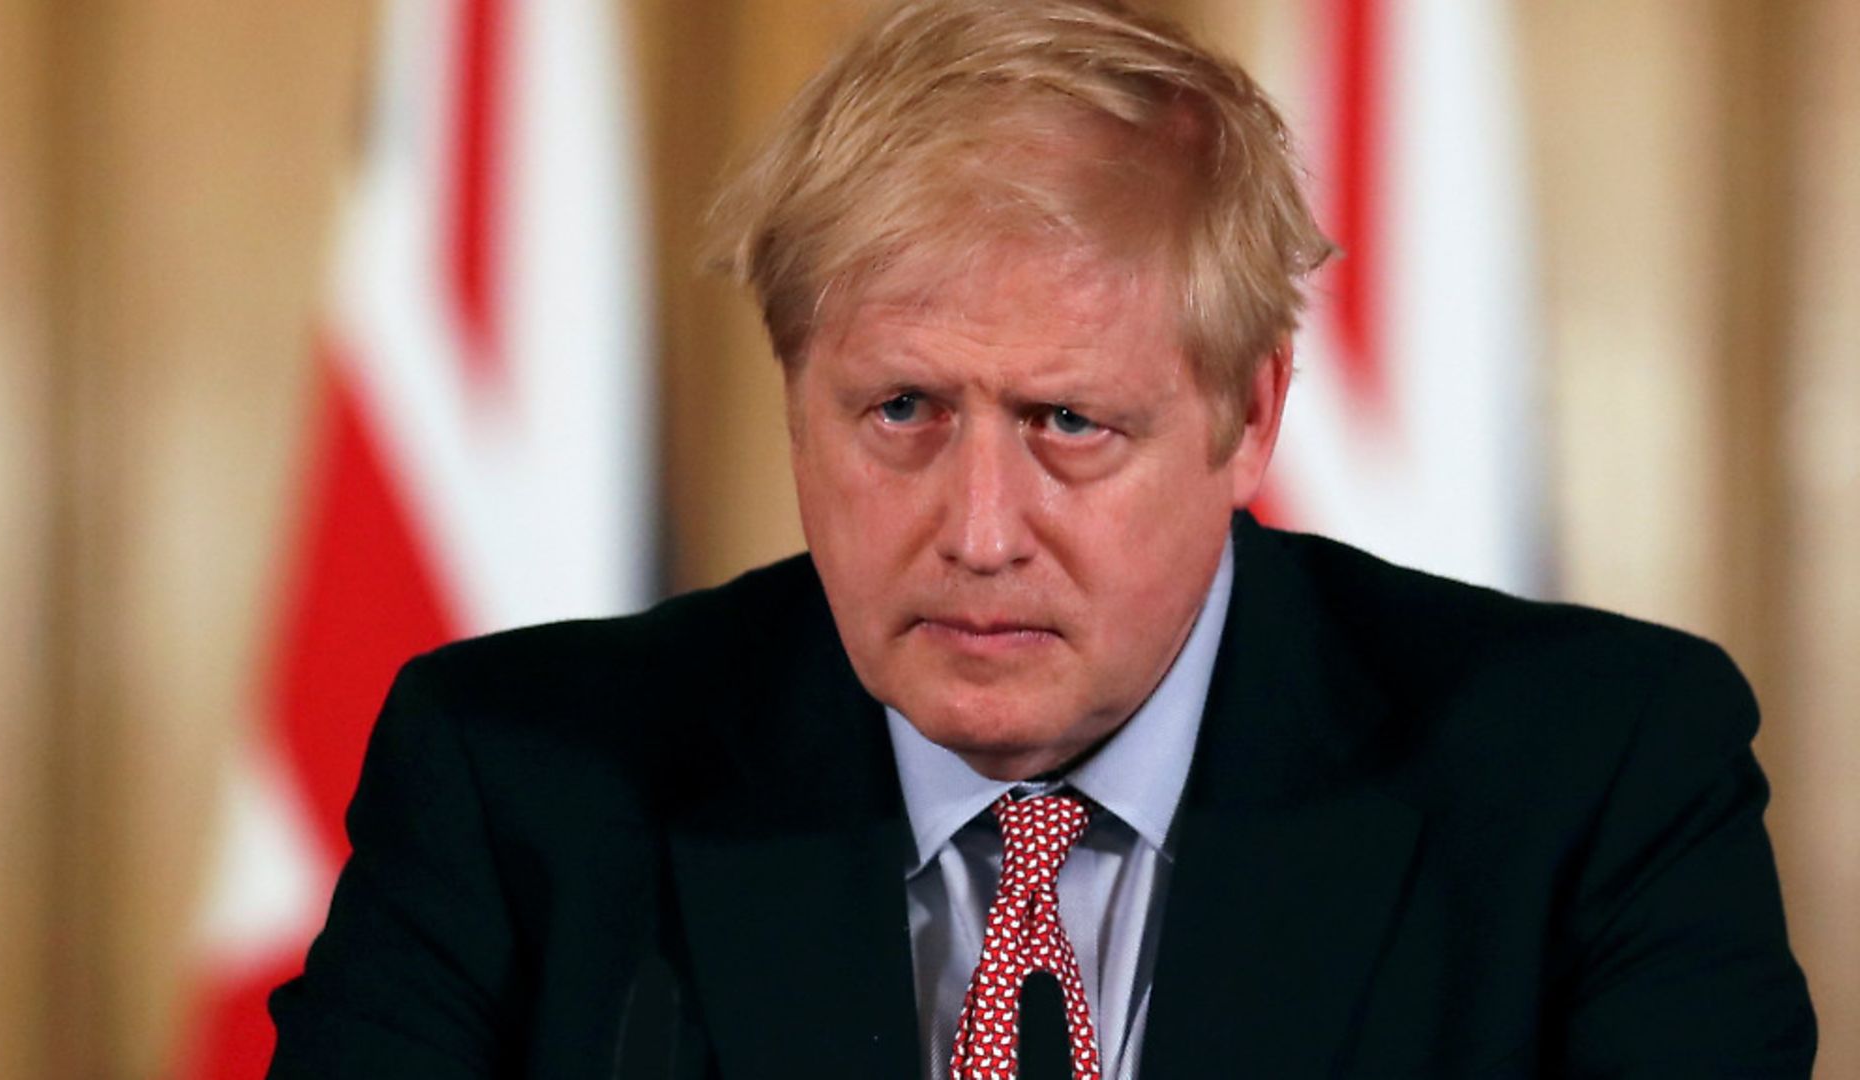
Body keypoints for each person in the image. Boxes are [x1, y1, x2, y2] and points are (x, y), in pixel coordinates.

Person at [267, 0, 1816, 1076]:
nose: (981, 533)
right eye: (901, 414)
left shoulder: (1591, 777)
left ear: (1251, 415)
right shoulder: (523, 784)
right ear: (796, 395)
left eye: (1071, 425)